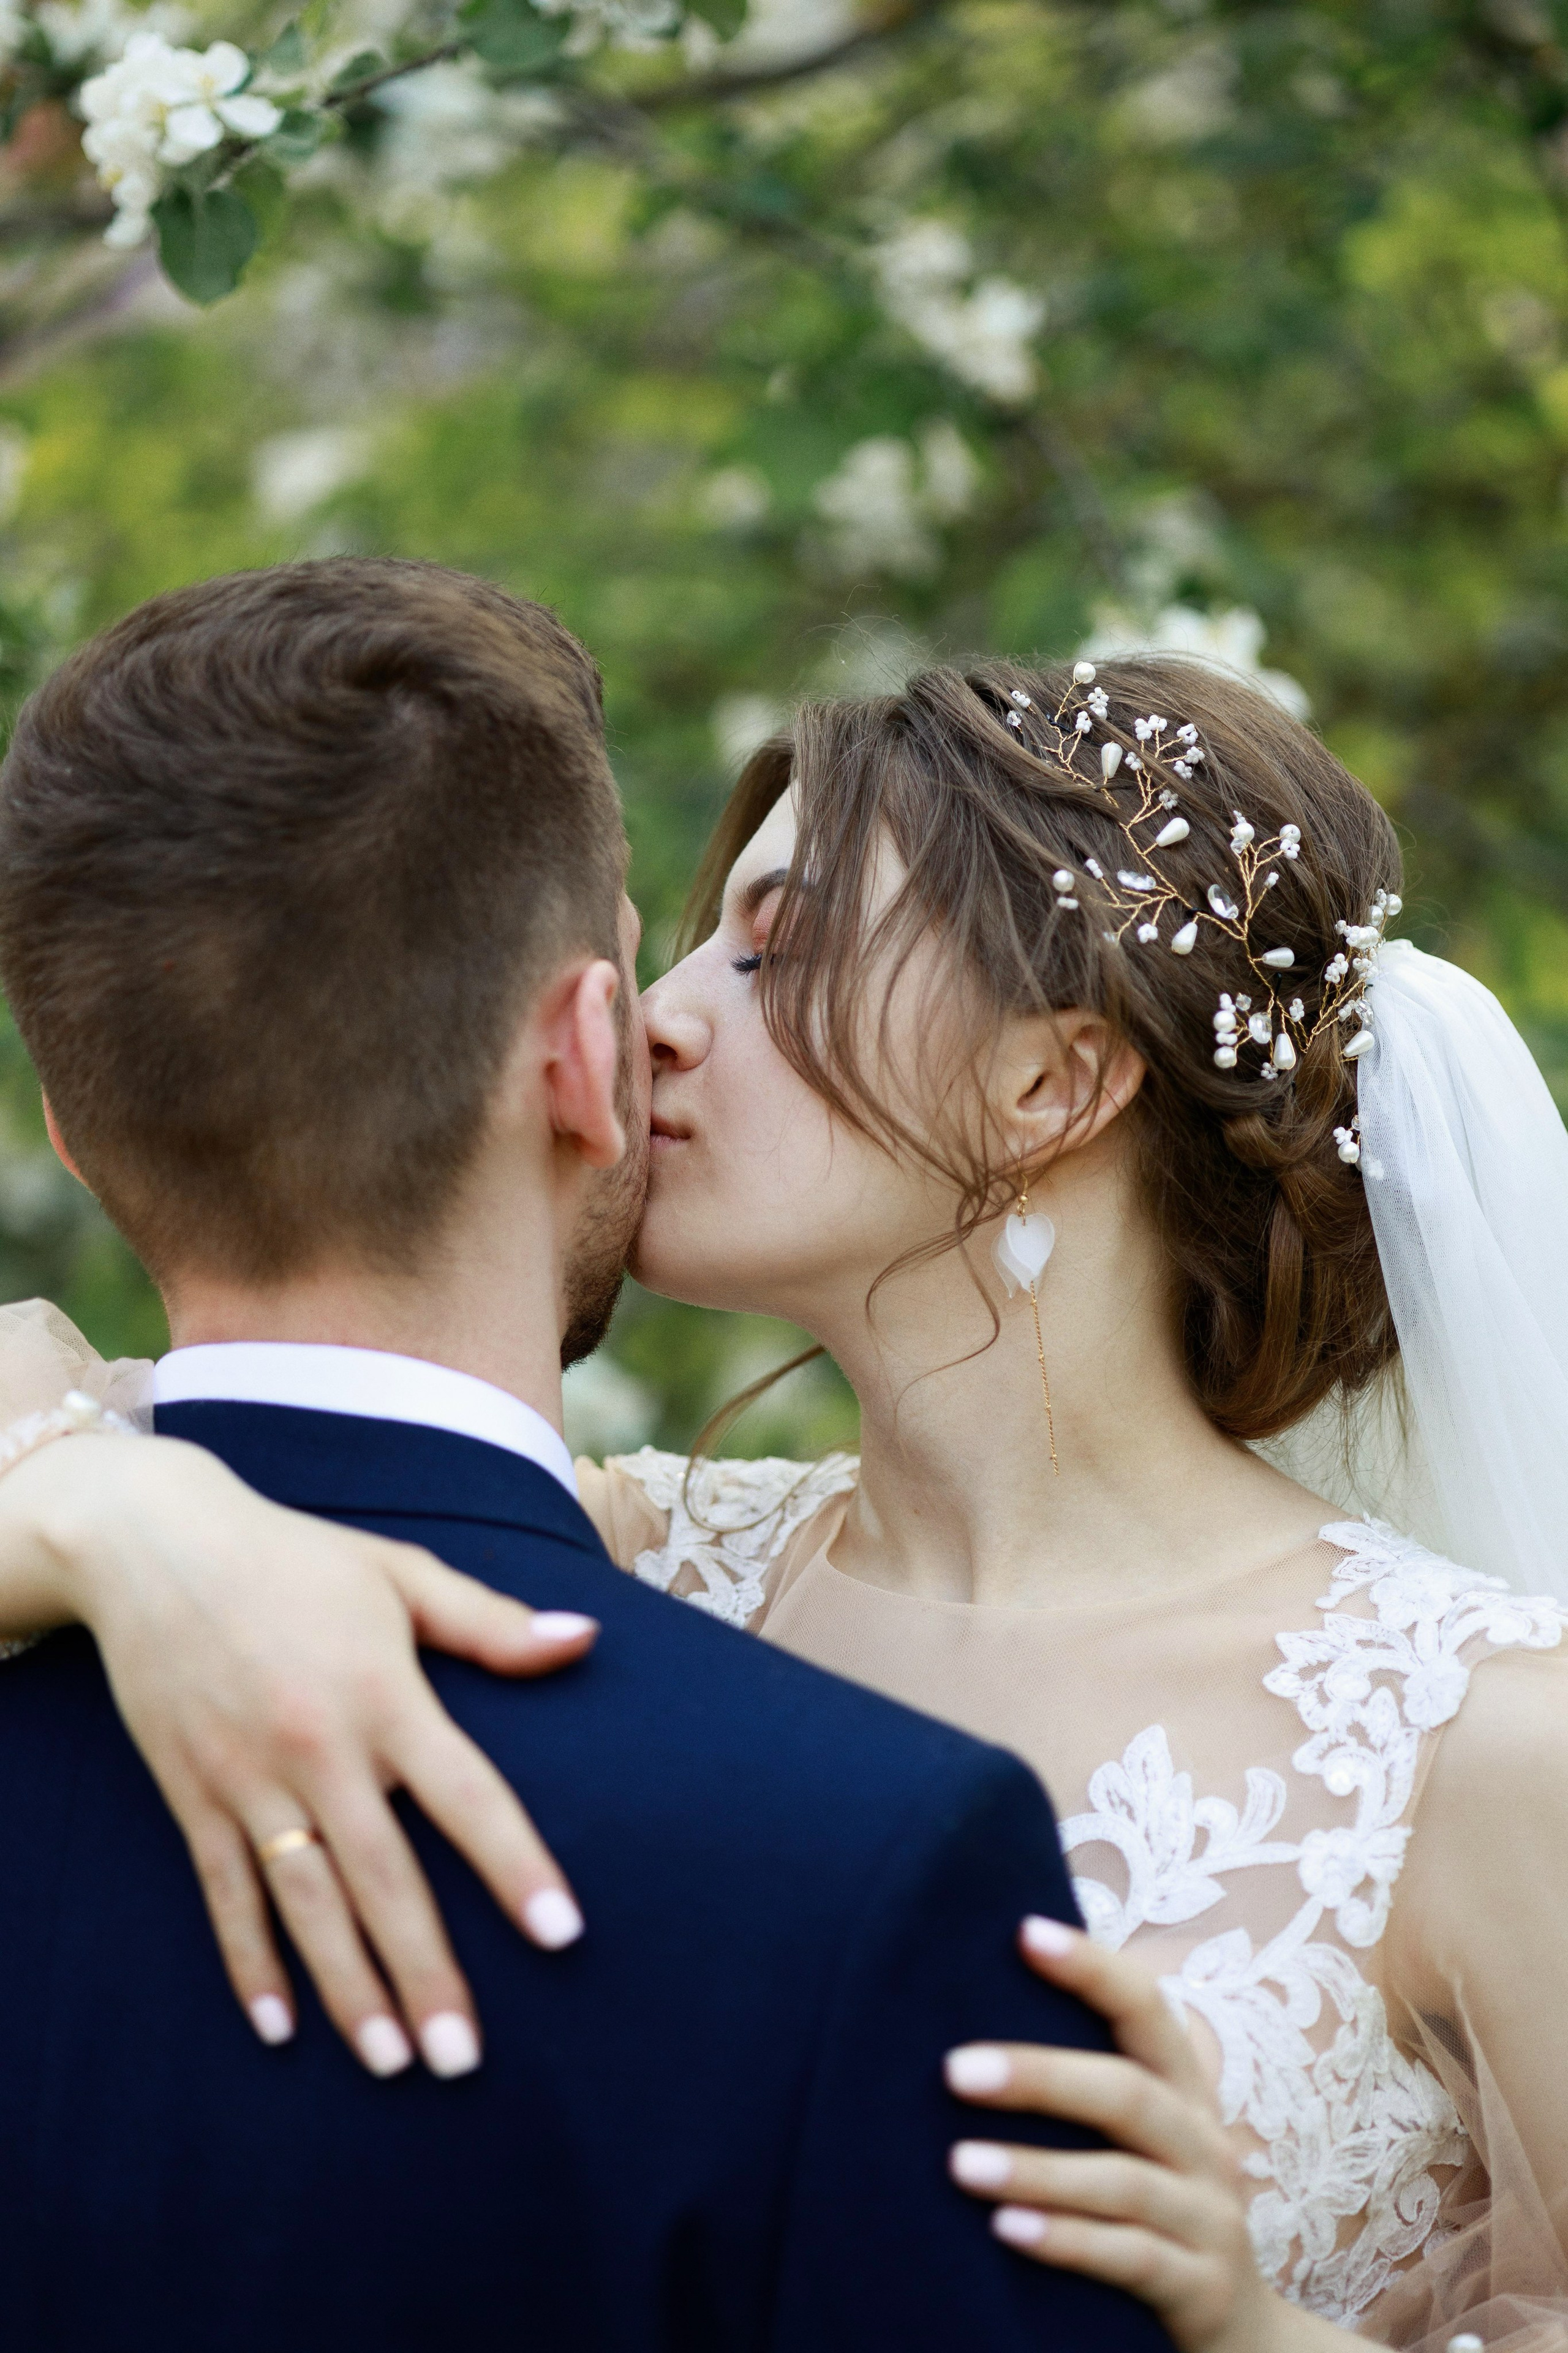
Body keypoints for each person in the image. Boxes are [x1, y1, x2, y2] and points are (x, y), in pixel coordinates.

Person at [0, 625, 1562, 2352]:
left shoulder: (1478, 1735)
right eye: (693, 947)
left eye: (777, 952)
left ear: (1051, 1079)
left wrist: (1254, 2331)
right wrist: (126, 1519)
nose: (653, 1023)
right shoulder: (637, 1557)